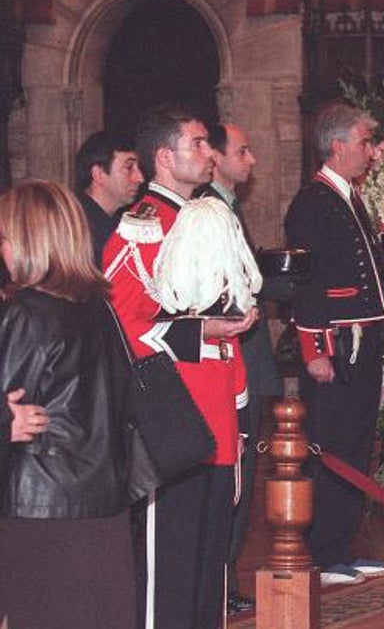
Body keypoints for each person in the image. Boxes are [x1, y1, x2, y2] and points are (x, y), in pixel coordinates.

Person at [103, 104, 258, 629]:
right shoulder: (143, 226)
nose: (210, 153)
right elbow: (123, 325)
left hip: (218, 410)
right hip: (173, 420)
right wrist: (203, 331)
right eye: (198, 144)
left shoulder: (207, 216)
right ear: (165, 157)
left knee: (209, 561)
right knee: (168, 564)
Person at [0, 181, 142, 628]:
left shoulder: (25, 313)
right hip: (104, 499)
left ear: (27, 241)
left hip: (41, 506)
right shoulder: (97, 306)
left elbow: (10, 401)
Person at [284, 103, 384, 587]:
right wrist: (315, 350)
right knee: (331, 447)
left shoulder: (348, 196)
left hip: (362, 341)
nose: (371, 152)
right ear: (337, 145)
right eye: (364, 142)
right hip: (335, 345)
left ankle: (342, 545)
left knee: (354, 446)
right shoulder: (313, 201)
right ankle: (323, 552)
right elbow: (305, 286)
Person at [199, 122, 283, 615]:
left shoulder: (228, 208)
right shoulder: (207, 214)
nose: (251, 160)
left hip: (248, 365)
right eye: (243, 151)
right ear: (216, 158)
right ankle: (217, 582)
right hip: (229, 368)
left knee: (241, 481)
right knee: (229, 482)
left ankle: (225, 579)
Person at [73, 130, 143, 263]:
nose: (140, 178)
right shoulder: (76, 230)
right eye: (129, 167)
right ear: (99, 174)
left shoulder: (117, 224)